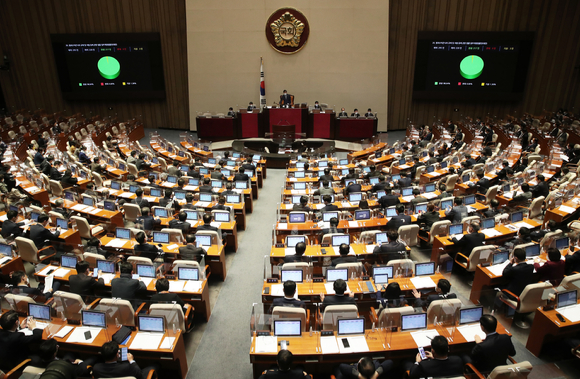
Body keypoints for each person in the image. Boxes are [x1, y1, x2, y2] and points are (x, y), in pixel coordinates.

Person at [30, 338, 94, 377]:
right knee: (93, 358)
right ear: (54, 354)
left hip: (61, 362)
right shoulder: (66, 366)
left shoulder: (34, 360)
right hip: (69, 368)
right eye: (56, 347)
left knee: (70, 353)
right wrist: (80, 362)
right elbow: (82, 371)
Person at [92, 340, 157, 379]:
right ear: (117, 355)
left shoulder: (96, 368)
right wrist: (131, 361)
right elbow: (139, 375)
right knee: (154, 366)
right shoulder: (127, 367)